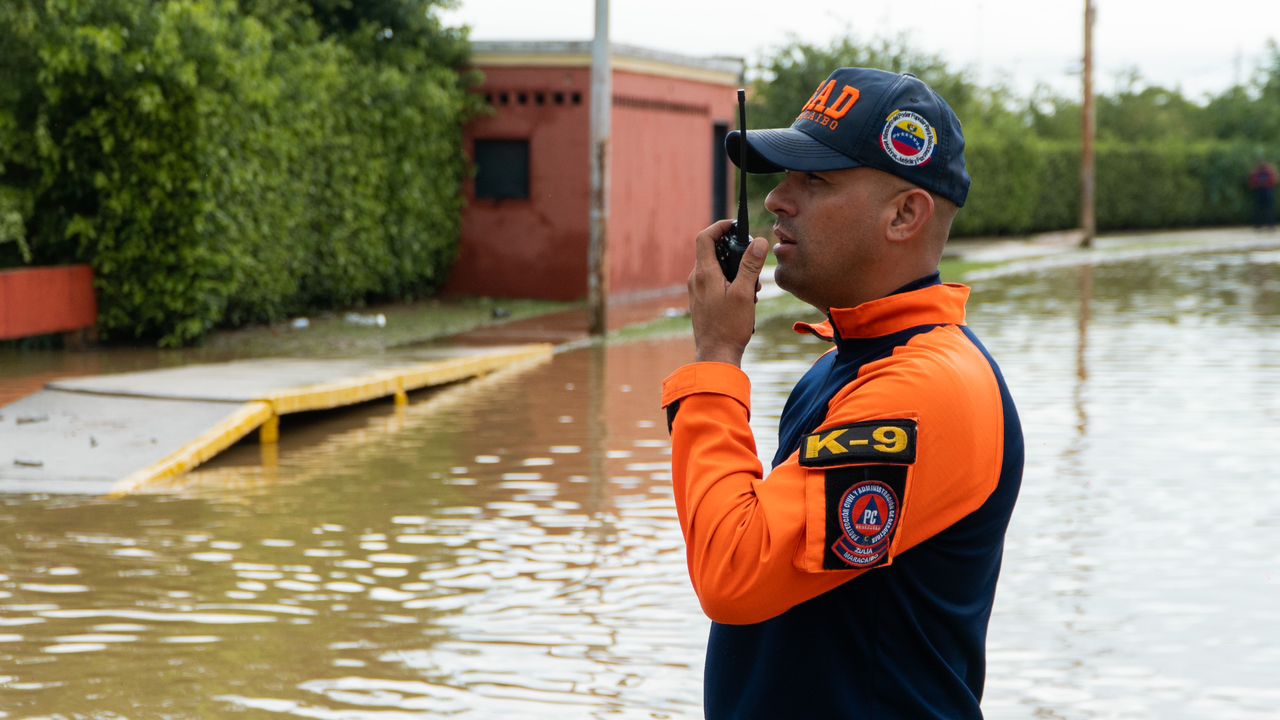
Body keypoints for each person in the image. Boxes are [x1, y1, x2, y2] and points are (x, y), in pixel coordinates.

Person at [661, 67, 1024, 719]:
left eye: (814, 180)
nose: (776, 201)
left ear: (905, 214)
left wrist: (715, 359)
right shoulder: (845, 363)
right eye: (784, 177)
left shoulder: (925, 387)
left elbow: (734, 572)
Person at [1247, 159, 1278, 230]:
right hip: (1259, 191)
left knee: (1269, 209)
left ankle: (1271, 225)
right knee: (1258, 209)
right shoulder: (1256, 172)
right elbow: (1252, 182)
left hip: (1268, 191)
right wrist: (1258, 185)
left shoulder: (1269, 172)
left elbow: (1274, 181)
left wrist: (1265, 184)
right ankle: (1258, 225)